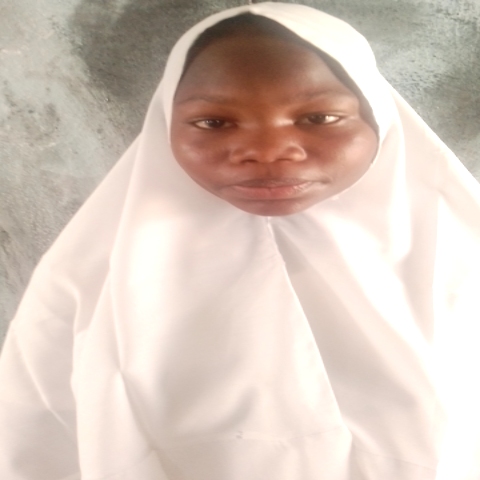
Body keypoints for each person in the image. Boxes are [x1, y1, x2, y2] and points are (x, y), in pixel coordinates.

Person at [1, 3, 480, 479]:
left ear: (379, 118)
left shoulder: (464, 260)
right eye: (214, 122)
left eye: (318, 117)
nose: (267, 151)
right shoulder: (84, 283)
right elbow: (36, 438)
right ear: (164, 126)